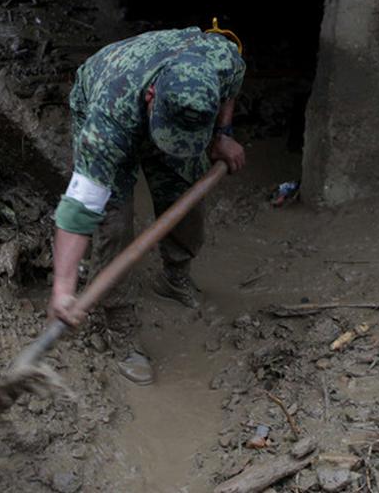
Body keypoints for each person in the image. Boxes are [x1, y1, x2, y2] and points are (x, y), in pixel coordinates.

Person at [48, 24, 246, 384]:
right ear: (153, 96)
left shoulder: (221, 59)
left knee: (184, 192)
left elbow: (231, 88)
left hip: (164, 104)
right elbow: (79, 209)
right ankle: (120, 325)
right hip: (106, 90)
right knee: (114, 222)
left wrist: (221, 135)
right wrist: (63, 289)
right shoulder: (107, 123)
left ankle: (174, 277)